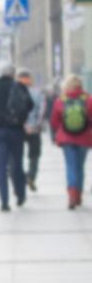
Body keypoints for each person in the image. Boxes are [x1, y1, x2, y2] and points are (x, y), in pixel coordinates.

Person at [0, 63, 34, 211]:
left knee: (1, 166)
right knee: (17, 164)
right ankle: (21, 195)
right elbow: (30, 105)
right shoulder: (19, 87)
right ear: (13, 74)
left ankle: (4, 201)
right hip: (16, 131)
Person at [49, 74, 92, 210]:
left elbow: (54, 121)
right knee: (80, 167)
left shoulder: (61, 100)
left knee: (70, 166)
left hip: (66, 138)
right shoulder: (89, 99)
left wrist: (58, 133)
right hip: (85, 138)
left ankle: (72, 195)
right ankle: (78, 196)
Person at [18, 69, 45, 191]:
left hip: (19, 129)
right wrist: (36, 125)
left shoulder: (14, 93)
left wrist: (22, 125)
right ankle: (31, 176)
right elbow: (41, 111)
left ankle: (19, 177)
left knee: (17, 155)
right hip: (34, 129)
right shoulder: (37, 93)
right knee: (34, 155)